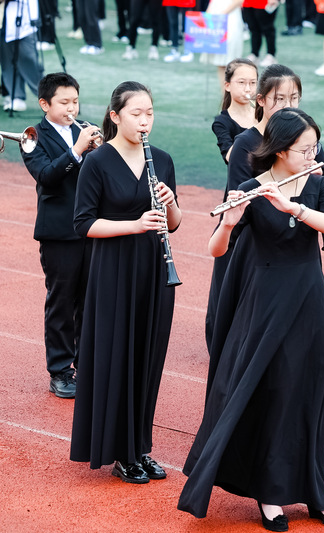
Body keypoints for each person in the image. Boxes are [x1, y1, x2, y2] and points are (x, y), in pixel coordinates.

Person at [178, 108, 324, 531]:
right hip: (265, 301)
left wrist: (296, 208)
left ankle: (314, 491)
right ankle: (270, 495)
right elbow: (216, 249)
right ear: (280, 149)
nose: (312, 154)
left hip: (309, 299)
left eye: (315, 147)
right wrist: (229, 223)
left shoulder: (318, 182)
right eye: (305, 149)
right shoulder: (252, 188)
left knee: (309, 391)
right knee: (272, 390)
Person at [70, 81, 182, 484]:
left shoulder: (163, 160)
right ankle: (120, 453)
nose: (145, 120)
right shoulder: (97, 162)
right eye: (137, 113)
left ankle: (140, 447)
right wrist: (133, 224)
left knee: (147, 359)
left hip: (154, 270)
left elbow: (174, 224)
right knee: (119, 359)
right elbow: (83, 224)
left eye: (150, 112)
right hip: (114, 271)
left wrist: (170, 203)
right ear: (115, 116)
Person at [205, 64, 324, 385]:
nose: (289, 106)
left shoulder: (304, 140)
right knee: (242, 329)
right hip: (252, 245)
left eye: (295, 98)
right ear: (262, 101)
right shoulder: (246, 143)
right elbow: (243, 193)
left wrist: (310, 192)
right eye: (281, 99)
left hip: (293, 239)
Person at [21, 72, 101, 399]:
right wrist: (77, 151)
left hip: (91, 227)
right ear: (45, 104)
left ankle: (86, 364)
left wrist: (100, 150)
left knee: (89, 300)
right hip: (58, 232)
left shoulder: (84, 128)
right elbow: (46, 176)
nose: (72, 108)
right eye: (64, 102)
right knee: (61, 302)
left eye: (75, 101)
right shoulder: (32, 136)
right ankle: (60, 370)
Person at [211, 58, 258, 165]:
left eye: (253, 83)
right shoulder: (222, 122)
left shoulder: (263, 113)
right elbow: (230, 157)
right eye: (241, 82)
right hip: (242, 180)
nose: (248, 89)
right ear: (227, 86)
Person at [1, 0, 43, 111]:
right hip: (3, 20)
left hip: (24, 20)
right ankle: (16, 96)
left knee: (29, 59)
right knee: (7, 62)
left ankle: (49, 95)